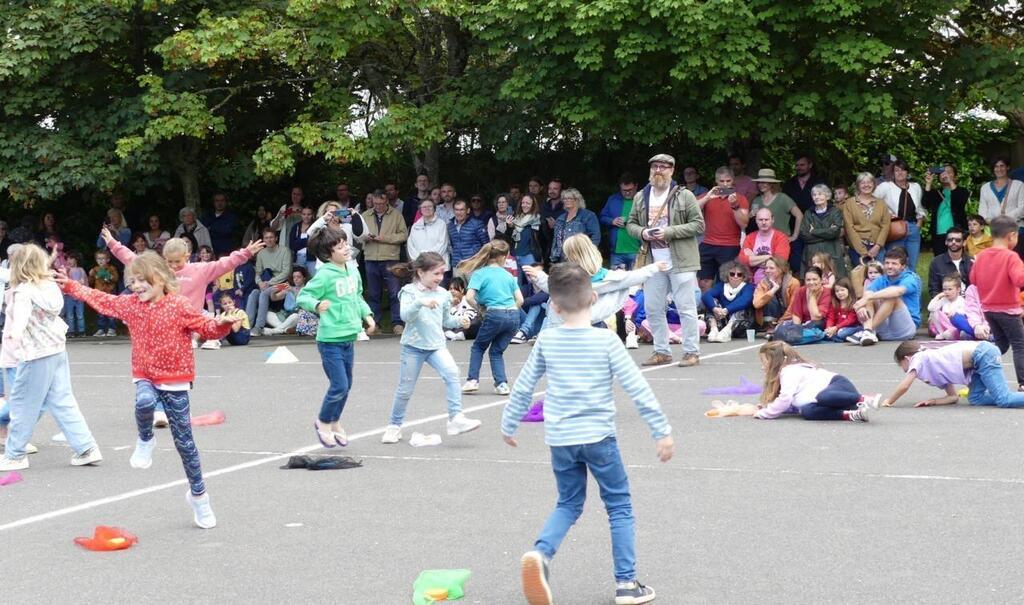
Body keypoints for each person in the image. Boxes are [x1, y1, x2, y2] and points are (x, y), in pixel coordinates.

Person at [501, 263, 673, 605]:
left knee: (568, 502)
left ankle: (541, 552)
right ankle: (626, 583)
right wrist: (661, 431)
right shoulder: (606, 340)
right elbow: (637, 388)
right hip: (598, 437)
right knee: (619, 505)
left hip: (561, 438)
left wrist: (509, 422)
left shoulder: (547, 339)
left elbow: (524, 386)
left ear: (553, 304)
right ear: (594, 298)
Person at [59, 251, 236, 527]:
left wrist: (223, 325)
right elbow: (101, 299)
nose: (137, 286)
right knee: (143, 402)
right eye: (133, 281)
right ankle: (145, 439)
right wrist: (71, 286)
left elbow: (207, 327)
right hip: (145, 374)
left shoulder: (179, 305)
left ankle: (199, 496)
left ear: (162, 279)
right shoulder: (131, 304)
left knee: (185, 444)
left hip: (175, 378)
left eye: (143, 280)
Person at [0, 244, 103, 472]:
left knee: (22, 403)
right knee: (63, 400)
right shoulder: (50, 286)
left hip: (35, 355)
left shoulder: (23, 292)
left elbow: (20, 321)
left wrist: (13, 336)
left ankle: (15, 454)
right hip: (56, 350)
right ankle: (86, 447)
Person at [381, 252, 482, 444]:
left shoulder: (443, 294)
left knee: (452, 373)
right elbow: (405, 316)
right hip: (413, 346)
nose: (440, 278)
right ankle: (394, 426)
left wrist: (460, 321)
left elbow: (446, 320)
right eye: (436, 273)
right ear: (420, 273)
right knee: (405, 389)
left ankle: (455, 419)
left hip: (436, 345)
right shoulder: (410, 292)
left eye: (442, 273)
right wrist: (420, 303)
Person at [296, 228, 377, 448]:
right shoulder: (325, 275)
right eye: (340, 247)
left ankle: (335, 422)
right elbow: (304, 296)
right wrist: (316, 305)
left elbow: (357, 297)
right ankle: (323, 421)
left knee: (346, 384)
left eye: (346, 244)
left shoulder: (352, 270)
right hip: (330, 340)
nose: (346, 249)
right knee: (339, 385)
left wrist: (368, 317)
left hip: (348, 338)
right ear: (328, 254)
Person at [626, 153, 705, 368]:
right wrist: (643, 233)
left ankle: (691, 352)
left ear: (672, 170)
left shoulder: (684, 195)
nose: (658, 170)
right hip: (653, 261)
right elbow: (630, 224)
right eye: (654, 167)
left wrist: (669, 231)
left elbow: (699, 225)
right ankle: (662, 351)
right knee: (653, 308)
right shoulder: (641, 197)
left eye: (663, 167)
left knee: (686, 308)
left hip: (681, 260)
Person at [523, 234, 667, 330]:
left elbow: (553, 288)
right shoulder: (605, 276)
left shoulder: (568, 277)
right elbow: (633, 276)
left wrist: (539, 276)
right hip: (594, 323)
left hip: (569, 325)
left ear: (570, 255)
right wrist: (654, 267)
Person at [457, 240, 523, 395]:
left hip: (493, 313)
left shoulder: (480, 274)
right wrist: (511, 310)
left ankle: (472, 380)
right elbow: (520, 300)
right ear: (504, 257)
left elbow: (469, 297)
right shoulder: (508, 275)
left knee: (479, 346)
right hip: (513, 314)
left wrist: (480, 309)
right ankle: (501, 384)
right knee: (496, 351)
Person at [752, 341, 877, 421]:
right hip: (834, 400)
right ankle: (850, 414)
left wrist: (766, 413)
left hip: (837, 386)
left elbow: (785, 398)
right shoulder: (784, 374)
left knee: (824, 396)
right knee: (808, 411)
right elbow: (790, 404)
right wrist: (768, 406)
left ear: (777, 361)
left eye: (765, 362)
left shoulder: (789, 371)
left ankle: (864, 398)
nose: (763, 367)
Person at [886, 339, 1024, 409]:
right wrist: (933, 402)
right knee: (975, 399)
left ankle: (1006, 395)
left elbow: (905, 385)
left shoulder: (919, 357)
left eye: (901, 364)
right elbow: (953, 397)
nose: (903, 369)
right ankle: (1005, 394)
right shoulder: (934, 367)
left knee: (1004, 400)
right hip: (978, 360)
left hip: (983, 354)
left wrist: (888, 401)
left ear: (907, 358)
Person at [969, 215, 1024, 389]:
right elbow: (1020, 280)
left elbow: (973, 280)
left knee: (1001, 344)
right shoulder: (1011, 257)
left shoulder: (981, 256)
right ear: (1012, 235)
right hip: (1008, 309)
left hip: (988, 309)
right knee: (1019, 344)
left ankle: (974, 372)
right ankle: (1023, 383)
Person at [846, 247, 921, 346]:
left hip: (905, 330)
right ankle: (868, 331)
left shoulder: (910, 278)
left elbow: (898, 291)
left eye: (894, 263)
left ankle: (867, 330)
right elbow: (868, 293)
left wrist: (868, 298)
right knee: (870, 297)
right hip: (882, 328)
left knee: (892, 297)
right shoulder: (882, 279)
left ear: (903, 266)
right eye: (887, 263)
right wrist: (862, 306)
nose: (889, 266)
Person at [361, 190, 409, 335]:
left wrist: (384, 238)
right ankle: (375, 324)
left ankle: (397, 323)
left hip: (390, 258)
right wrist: (365, 237)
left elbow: (403, 235)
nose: (378, 206)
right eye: (375, 204)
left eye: (381, 204)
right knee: (374, 293)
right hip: (370, 258)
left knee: (394, 293)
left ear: (386, 201)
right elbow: (356, 235)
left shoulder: (396, 215)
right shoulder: (365, 215)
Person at [697, 166, 749, 290]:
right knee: (704, 282)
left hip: (729, 246)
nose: (725, 184)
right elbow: (690, 210)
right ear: (716, 181)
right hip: (708, 243)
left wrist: (735, 206)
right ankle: (707, 308)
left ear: (733, 181)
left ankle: (723, 309)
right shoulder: (707, 196)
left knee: (727, 282)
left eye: (728, 181)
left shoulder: (740, 198)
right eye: (721, 181)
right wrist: (707, 198)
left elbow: (744, 224)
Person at [874, 160, 925, 270]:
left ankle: (909, 286)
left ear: (907, 172)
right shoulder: (886, 187)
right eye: (897, 170)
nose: (900, 172)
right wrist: (886, 216)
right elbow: (873, 202)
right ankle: (893, 286)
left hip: (913, 227)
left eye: (903, 170)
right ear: (893, 173)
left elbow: (920, 207)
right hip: (895, 227)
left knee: (912, 264)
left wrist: (918, 224)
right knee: (894, 263)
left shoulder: (915, 187)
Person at [782, 154, 827, 273]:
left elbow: (826, 204)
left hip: (815, 226)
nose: (799, 167)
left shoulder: (819, 182)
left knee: (814, 258)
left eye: (802, 165)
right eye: (797, 165)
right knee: (795, 261)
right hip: (794, 227)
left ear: (810, 165)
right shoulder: (789, 184)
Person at [245, 229, 292, 336]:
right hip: (265, 283)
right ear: (264, 240)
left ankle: (258, 327)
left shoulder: (285, 251)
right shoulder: (261, 253)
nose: (269, 240)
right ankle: (247, 326)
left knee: (264, 293)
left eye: (271, 237)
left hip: (282, 283)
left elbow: (286, 272)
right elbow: (257, 272)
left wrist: (269, 283)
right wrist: (260, 283)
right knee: (254, 293)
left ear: (276, 238)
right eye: (266, 238)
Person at [842, 172, 892, 269]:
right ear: (858, 185)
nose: (866, 185)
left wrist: (877, 247)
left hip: (877, 248)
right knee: (860, 279)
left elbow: (885, 226)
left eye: (869, 182)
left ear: (874, 184)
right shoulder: (849, 203)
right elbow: (849, 228)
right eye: (863, 183)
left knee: (879, 277)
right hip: (857, 248)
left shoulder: (881, 203)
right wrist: (862, 251)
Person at [977, 157, 1024, 257]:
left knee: (1018, 261)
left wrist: (1004, 220)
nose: (999, 169)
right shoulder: (985, 188)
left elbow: (1022, 208)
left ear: (1007, 167)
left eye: (1002, 166)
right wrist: (990, 220)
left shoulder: (1019, 185)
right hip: (994, 232)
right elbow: (982, 210)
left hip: (1015, 231)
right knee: (998, 263)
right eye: (996, 166)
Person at [700, 261, 753, 343]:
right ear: (727, 275)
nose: (735, 276)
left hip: (739, 327)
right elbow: (706, 295)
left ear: (743, 277)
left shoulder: (748, 287)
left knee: (741, 308)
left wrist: (726, 310)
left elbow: (745, 301)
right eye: (732, 274)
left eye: (739, 274)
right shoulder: (721, 286)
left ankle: (727, 331)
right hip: (721, 321)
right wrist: (715, 309)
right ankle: (714, 329)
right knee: (711, 303)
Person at [923, 164, 969, 257]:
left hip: (957, 232)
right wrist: (928, 183)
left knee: (958, 259)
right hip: (939, 233)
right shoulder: (936, 192)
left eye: (948, 172)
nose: (945, 174)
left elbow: (960, 202)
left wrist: (951, 182)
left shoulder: (962, 191)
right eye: (942, 173)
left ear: (955, 177)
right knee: (941, 261)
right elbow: (925, 204)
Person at [738, 207, 791, 284]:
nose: (763, 222)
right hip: (752, 282)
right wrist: (770, 257)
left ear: (772, 220)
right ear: (756, 220)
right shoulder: (750, 237)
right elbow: (743, 260)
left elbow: (780, 262)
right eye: (760, 220)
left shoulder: (781, 237)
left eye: (766, 219)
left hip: (775, 283)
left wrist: (753, 257)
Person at [599, 174, 641, 270]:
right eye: (624, 190)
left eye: (629, 190)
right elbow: (602, 217)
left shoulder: (643, 200)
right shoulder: (613, 199)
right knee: (617, 283)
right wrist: (612, 221)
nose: (627, 193)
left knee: (636, 283)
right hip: (617, 252)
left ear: (636, 186)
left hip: (637, 250)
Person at [749, 169, 802, 241]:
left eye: (764, 182)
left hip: (781, 240)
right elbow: (753, 218)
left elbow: (799, 215)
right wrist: (750, 215)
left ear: (771, 184)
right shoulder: (756, 200)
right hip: (763, 241)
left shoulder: (783, 198)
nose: (760, 184)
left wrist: (794, 236)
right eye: (759, 182)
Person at [549, 188, 600, 263]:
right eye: (564, 198)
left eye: (569, 198)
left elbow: (596, 237)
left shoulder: (588, 215)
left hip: (580, 257)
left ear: (577, 200)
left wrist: (588, 254)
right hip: (562, 257)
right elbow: (556, 240)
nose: (566, 200)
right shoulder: (560, 218)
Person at [752, 256, 799, 333]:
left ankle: (779, 326)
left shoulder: (793, 282)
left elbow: (793, 306)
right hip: (771, 317)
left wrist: (781, 322)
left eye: (771, 268)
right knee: (770, 297)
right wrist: (772, 290)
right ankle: (770, 326)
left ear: (781, 269)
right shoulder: (763, 283)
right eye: (766, 268)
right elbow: (756, 304)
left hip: (788, 315)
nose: (767, 270)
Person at [778, 266, 832, 332]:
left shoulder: (827, 292)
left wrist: (812, 297)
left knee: (815, 324)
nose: (811, 283)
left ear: (821, 280)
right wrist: (796, 329)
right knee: (782, 327)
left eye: (814, 279)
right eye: (808, 280)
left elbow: (815, 317)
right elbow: (796, 314)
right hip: (803, 324)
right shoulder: (800, 291)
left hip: (819, 323)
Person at [407, 199, 451, 276]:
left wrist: (428, 259)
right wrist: (421, 260)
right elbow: (410, 245)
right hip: (421, 267)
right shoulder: (415, 226)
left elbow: (442, 245)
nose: (427, 209)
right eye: (424, 207)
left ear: (434, 209)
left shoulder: (441, 224)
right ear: (420, 210)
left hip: (438, 266)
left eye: (430, 206)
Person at [927, 226, 972, 297]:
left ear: (964, 242)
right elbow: (933, 290)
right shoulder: (936, 262)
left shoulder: (971, 262)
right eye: (950, 240)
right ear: (946, 242)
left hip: (970, 304)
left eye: (958, 240)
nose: (953, 242)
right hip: (946, 303)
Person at [260, 267, 307, 336]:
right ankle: (285, 329)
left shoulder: (306, 289)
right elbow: (274, 298)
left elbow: (301, 302)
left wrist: (292, 291)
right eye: (294, 277)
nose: (296, 279)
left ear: (304, 278)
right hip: (284, 316)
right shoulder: (289, 288)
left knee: (295, 316)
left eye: (298, 277)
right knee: (266, 314)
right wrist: (273, 291)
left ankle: (275, 331)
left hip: (296, 317)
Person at [511, 195, 544, 283]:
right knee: (516, 285)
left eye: (528, 203)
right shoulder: (516, 218)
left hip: (529, 255)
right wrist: (509, 227)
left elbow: (543, 239)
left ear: (533, 205)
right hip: (515, 255)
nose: (524, 205)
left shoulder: (538, 220)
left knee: (535, 284)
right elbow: (510, 239)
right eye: (523, 203)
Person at [448, 199, 489, 270]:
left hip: (473, 265)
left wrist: (478, 260)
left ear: (468, 211)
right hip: (457, 265)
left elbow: (486, 245)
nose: (459, 212)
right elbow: (452, 245)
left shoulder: (477, 224)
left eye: (462, 210)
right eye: (456, 210)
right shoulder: (450, 225)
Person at [88, 249, 119, 337]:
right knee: (100, 312)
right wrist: (90, 275)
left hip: (110, 293)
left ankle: (112, 329)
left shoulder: (112, 268)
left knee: (111, 312)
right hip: (99, 293)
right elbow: (91, 282)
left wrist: (108, 276)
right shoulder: (95, 269)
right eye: (98, 259)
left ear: (108, 259)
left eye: (103, 259)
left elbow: (116, 279)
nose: (100, 261)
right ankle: (101, 329)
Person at [928, 274, 969, 340]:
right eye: (944, 289)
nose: (946, 292)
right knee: (933, 312)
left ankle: (955, 334)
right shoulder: (943, 300)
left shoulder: (961, 300)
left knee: (949, 334)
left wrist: (954, 313)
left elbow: (964, 314)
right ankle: (941, 332)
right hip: (945, 326)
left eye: (950, 289)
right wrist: (938, 296)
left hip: (955, 327)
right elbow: (930, 308)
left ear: (958, 290)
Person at [823, 277, 861, 342]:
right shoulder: (834, 303)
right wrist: (828, 328)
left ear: (849, 290)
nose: (840, 293)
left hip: (851, 327)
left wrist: (836, 328)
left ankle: (860, 332)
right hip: (837, 328)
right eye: (837, 291)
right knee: (825, 334)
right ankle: (839, 338)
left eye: (842, 290)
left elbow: (850, 320)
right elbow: (831, 318)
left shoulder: (853, 303)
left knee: (842, 334)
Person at [202, 193, 239, 257]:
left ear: (226, 202)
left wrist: (211, 228)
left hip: (225, 251)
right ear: (213, 203)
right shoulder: (208, 216)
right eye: (217, 201)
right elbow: (202, 230)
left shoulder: (231, 217)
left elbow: (227, 231)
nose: (219, 203)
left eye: (222, 200)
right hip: (209, 251)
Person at [444, 276, 479, 341]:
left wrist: (462, 320)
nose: (452, 291)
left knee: (475, 322)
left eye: (455, 289)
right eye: (450, 289)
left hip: (467, 324)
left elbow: (470, 314)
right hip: (455, 325)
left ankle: (457, 334)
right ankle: (454, 334)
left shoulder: (466, 299)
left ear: (462, 290)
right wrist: (452, 305)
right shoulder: (448, 301)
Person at [62, 251, 87, 338]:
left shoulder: (81, 270)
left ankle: (81, 331)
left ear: (76, 260)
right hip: (69, 296)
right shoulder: (66, 270)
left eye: (71, 258)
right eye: (67, 259)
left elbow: (85, 282)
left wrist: (85, 291)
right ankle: (70, 331)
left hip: (79, 295)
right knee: (70, 315)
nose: (69, 260)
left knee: (80, 314)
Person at [287, 206, 317, 272]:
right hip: (298, 258)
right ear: (301, 215)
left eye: (309, 214)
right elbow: (292, 245)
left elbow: (316, 243)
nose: (306, 216)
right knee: (299, 279)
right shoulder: (296, 226)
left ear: (312, 215)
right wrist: (307, 241)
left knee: (314, 278)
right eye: (304, 214)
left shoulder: (315, 226)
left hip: (312, 258)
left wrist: (299, 242)